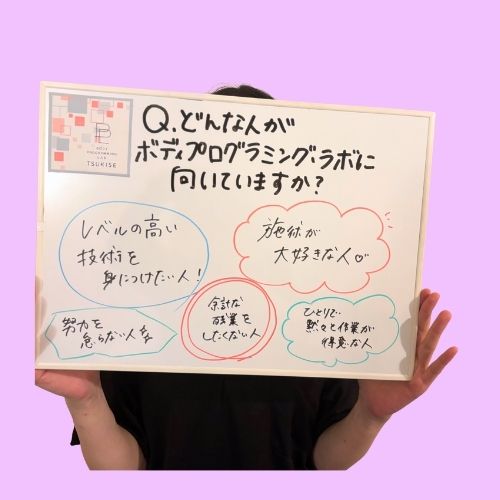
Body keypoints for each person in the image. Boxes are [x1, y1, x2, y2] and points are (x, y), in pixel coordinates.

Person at [35, 85, 458, 470]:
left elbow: (323, 464)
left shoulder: (323, 311)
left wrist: (371, 414)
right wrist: (86, 401)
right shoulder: (136, 310)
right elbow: (127, 470)